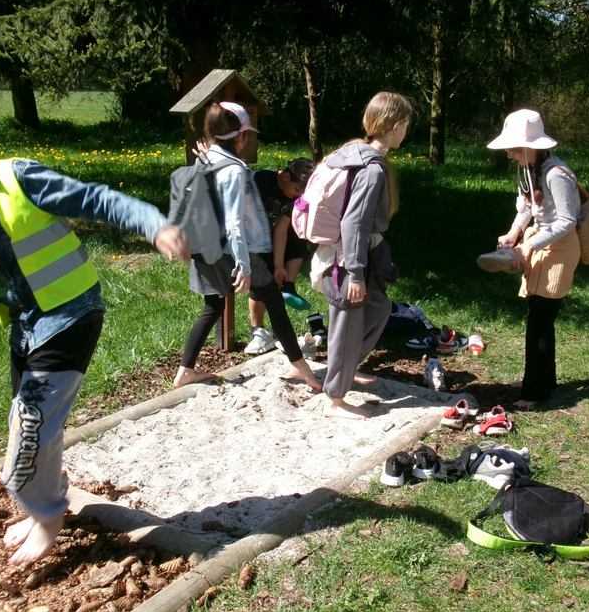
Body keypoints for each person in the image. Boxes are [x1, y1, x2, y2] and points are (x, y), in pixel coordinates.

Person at [0, 128, 189, 565]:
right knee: (33, 422)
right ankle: (43, 503)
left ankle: (48, 515)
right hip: (27, 327)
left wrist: (154, 224)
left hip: (70, 316)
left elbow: (96, 200)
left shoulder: (20, 179)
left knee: (30, 426)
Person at [174, 102, 321, 391]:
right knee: (274, 301)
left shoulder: (205, 158)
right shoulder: (235, 170)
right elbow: (235, 224)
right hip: (230, 250)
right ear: (240, 136)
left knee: (213, 305)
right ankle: (299, 366)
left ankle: (184, 372)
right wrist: (244, 265)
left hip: (203, 247)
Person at [312, 91, 413, 420]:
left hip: (358, 253)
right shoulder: (371, 170)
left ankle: (346, 367)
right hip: (347, 259)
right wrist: (354, 274)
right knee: (347, 325)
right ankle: (334, 400)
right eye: (405, 125)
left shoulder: (357, 152)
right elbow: (353, 223)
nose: (406, 131)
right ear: (395, 125)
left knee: (379, 308)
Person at [483, 109, 581, 410]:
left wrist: (529, 245)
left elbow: (567, 221)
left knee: (540, 320)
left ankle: (535, 392)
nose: (510, 154)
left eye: (514, 148)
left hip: (560, 250)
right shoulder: (528, 169)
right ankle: (543, 381)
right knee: (539, 318)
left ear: (531, 147)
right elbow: (527, 207)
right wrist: (514, 233)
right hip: (540, 244)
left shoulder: (555, 173)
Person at [244, 157, 316, 355]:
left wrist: (279, 266)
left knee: (300, 243)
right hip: (250, 240)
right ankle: (258, 331)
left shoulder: (293, 198)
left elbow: (282, 229)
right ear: (286, 176)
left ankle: (287, 287)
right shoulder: (260, 182)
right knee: (260, 283)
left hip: (272, 236)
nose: (298, 195)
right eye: (297, 189)